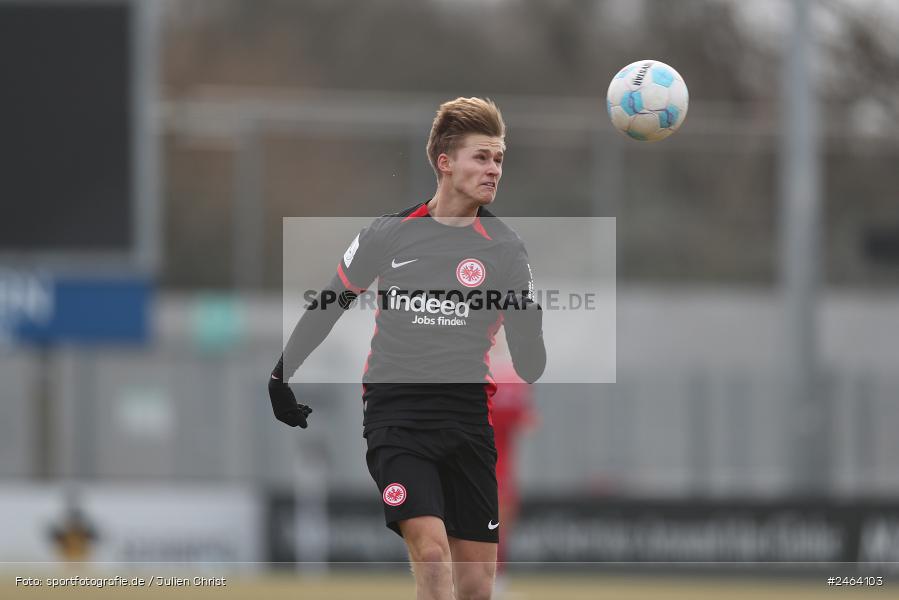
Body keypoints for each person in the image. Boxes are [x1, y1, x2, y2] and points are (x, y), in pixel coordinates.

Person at [269, 97, 546, 600]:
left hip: (467, 420)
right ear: (445, 162)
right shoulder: (389, 234)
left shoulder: (505, 248)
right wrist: (280, 374)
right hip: (398, 416)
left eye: (499, 159)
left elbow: (532, 366)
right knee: (433, 556)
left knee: (479, 587)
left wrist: (528, 316)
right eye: (481, 157)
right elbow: (328, 303)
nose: (493, 169)